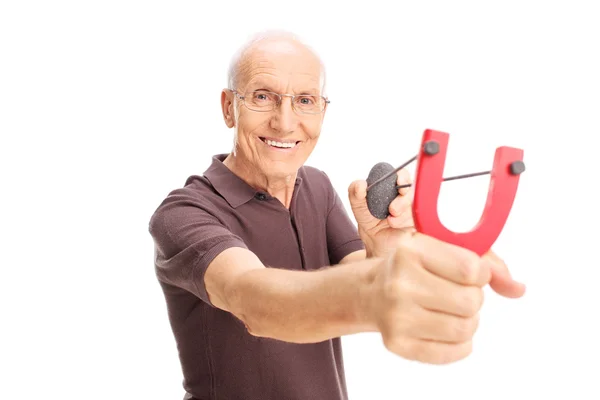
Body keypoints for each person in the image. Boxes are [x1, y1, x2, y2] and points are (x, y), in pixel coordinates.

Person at [148, 30, 526, 400]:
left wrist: (383, 248)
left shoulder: (316, 187)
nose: (284, 121)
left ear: (323, 111)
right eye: (263, 97)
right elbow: (251, 298)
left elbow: (358, 272)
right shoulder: (183, 213)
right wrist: (374, 295)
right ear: (229, 107)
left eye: (306, 100)